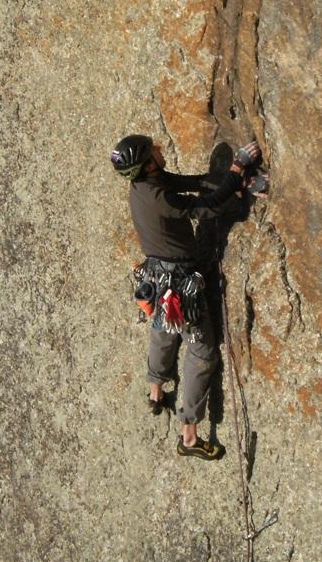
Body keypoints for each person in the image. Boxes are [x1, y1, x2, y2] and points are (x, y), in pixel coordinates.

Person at [110, 134, 263, 460]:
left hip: (157, 275)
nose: (160, 148)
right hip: (178, 282)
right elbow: (203, 207)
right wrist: (236, 169)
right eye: (155, 150)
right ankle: (190, 434)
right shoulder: (159, 197)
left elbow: (193, 183)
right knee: (203, 351)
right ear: (149, 163)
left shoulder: (146, 184)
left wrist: (232, 180)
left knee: (163, 330)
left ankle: (156, 389)